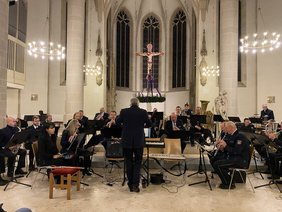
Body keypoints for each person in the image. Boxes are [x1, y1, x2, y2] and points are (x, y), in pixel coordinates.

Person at [117, 97, 151, 192]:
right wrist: (142, 125)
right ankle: (135, 185)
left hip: (127, 140)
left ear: (130, 103)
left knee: (128, 162)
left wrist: (125, 127)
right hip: (138, 140)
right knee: (137, 162)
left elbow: (117, 122)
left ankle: (130, 184)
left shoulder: (124, 111)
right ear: (138, 103)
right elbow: (149, 124)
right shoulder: (143, 112)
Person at [212, 121, 250, 189]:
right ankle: (227, 180)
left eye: (226, 128)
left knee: (217, 164)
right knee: (214, 160)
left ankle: (228, 183)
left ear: (230, 127)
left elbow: (237, 151)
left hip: (240, 160)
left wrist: (225, 146)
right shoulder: (231, 135)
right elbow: (229, 148)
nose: (225, 130)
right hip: (233, 158)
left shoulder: (240, 136)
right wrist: (222, 148)